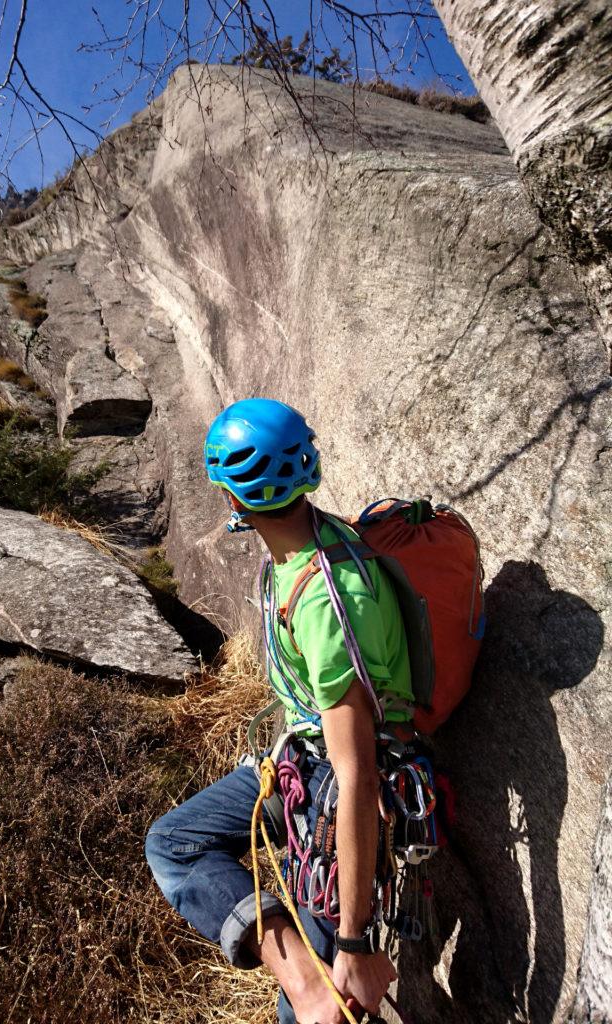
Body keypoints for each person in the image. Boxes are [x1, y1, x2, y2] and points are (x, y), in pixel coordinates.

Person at [145, 397, 414, 1024]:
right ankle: (303, 979)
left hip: (330, 785)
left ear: (233, 498)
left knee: (320, 1016)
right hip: (301, 757)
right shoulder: (310, 542)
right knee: (175, 841)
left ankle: (315, 986)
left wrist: (352, 943)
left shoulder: (325, 599)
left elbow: (358, 774)